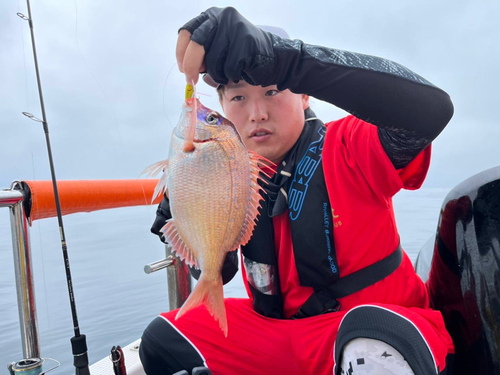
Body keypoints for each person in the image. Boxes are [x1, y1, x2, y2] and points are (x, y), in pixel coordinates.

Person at [140, 7, 455, 375]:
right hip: (280, 335)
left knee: (369, 346)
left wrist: (289, 60)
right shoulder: (228, 172)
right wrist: (190, 225)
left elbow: (430, 111)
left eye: (273, 90)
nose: (257, 112)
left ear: (304, 94)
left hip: (372, 329)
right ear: (223, 105)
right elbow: (218, 272)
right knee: (162, 339)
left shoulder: (350, 144)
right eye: (238, 98)